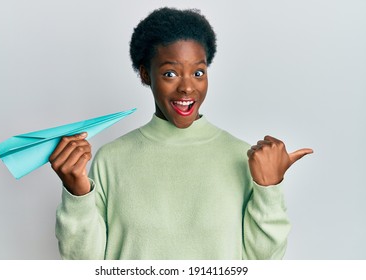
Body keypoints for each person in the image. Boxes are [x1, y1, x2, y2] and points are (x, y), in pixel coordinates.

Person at [49, 7, 313, 260]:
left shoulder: (242, 157)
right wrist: (77, 194)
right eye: (170, 73)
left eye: (198, 72)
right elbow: (84, 263)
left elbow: (261, 263)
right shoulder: (111, 160)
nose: (187, 87)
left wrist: (268, 188)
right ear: (145, 75)